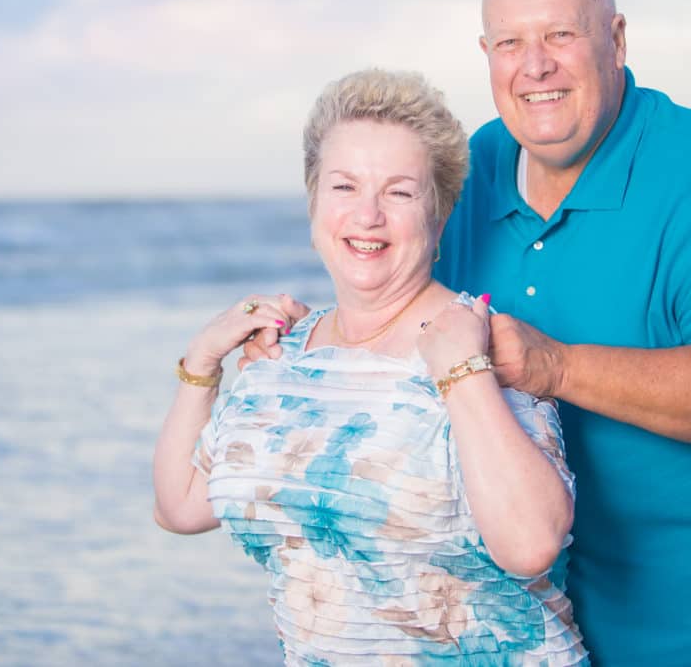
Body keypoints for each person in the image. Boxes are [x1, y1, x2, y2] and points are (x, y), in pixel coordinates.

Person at [246, 0, 691, 666]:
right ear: (486, 55)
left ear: (615, 40)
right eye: (511, 42)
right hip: (565, 608)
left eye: (560, 35)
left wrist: (557, 365)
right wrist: (292, 346)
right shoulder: (471, 170)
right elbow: (392, 295)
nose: (535, 65)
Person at [153, 69, 591, 664]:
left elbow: (532, 544)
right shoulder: (281, 358)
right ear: (313, 203)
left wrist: (462, 372)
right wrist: (203, 361)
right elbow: (180, 505)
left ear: (438, 218)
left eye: (400, 192)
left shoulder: (479, 344)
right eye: (344, 187)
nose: (368, 215)